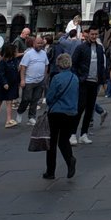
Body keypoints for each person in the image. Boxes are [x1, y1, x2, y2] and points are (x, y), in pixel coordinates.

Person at [43, 52, 79, 181]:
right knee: (64, 140)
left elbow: (50, 97)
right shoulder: (75, 78)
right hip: (71, 114)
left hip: (57, 113)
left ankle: (50, 171)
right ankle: (70, 160)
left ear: (59, 64)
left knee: (52, 142)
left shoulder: (57, 78)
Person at [71, 27, 107, 145]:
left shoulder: (100, 48)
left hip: (94, 82)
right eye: (92, 34)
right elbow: (74, 64)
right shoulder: (81, 48)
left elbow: (101, 65)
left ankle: (84, 134)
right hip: (84, 82)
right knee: (80, 108)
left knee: (90, 108)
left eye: (96, 34)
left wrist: (102, 80)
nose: (93, 36)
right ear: (87, 35)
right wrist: (78, 78)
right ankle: (72, 133)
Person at [16, 35, 49, 123]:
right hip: (29, 81)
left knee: (35, 99)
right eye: (38, 43)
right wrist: (22, 80)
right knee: (26, 99)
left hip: (40, 80)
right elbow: (23, 67)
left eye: (41, 43)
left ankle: (32, 116)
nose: (40, 45)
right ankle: (20, 111)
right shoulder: (28, 54)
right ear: (34, 43)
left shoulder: (44, 53)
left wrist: (44, 76)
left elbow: (46, 65)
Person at [0, 44, 20, 128]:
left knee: (9, 101)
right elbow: (1, 74)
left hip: (11, 84)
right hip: (3, 85)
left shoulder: (14, 60)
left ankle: (8, 120)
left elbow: (16, 72)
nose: (16, 52)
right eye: (15, 51)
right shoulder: (3, 62)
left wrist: (17, 82)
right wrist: (4, 83)